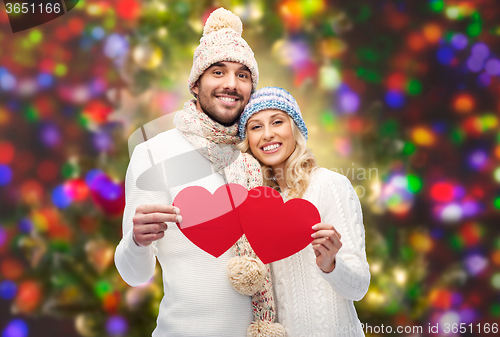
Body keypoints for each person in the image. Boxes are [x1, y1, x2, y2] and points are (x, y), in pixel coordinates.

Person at [115, 9, 284, 337]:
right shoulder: (153, 153)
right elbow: (135, 275)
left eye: (243, 75)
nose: (231, 84)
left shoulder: (263, 155)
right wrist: (136, 241)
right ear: (197, 83)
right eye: (218, 71)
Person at [238, 86, 371, 337]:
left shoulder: (330, 184)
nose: (267, 134)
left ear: (295, 128)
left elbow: (359, 287)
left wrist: (331, 264)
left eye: (277, 122)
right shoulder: (256, 204)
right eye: (256, 127)